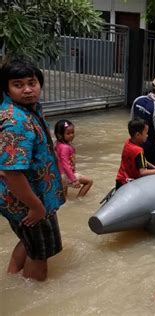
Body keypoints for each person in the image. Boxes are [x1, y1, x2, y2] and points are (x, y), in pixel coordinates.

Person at [0, 59, 65, 281]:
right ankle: (33, 290)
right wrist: (36, 207)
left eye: (32, 82)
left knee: (30, 242)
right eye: (18, 85)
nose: (28, 89)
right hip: (28, 201)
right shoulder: (17, 121)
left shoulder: (27, 110)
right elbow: (11, 172)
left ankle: (13, 278)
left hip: (29, 196)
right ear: (7, 88)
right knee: (40, 253)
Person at [116, 119, 155, 190]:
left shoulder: (128, 142)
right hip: (127, 183)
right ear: (138, 135)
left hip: (120, 180)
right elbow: (143, 172)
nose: (147, 135)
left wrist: (154, 167)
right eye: (146, 133)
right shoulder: (138, 150)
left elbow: (141, 160)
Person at [54, 119, 93, 198]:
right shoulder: (65, 147)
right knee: (89, 181)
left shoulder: (57, 144)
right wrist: (74, 179)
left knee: (64, 197)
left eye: (72, 132)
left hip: (59, 175)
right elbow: (65, 165)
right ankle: (79, 200)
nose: (71, 135)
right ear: (60, 135)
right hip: (66, 175)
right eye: (68, 133)